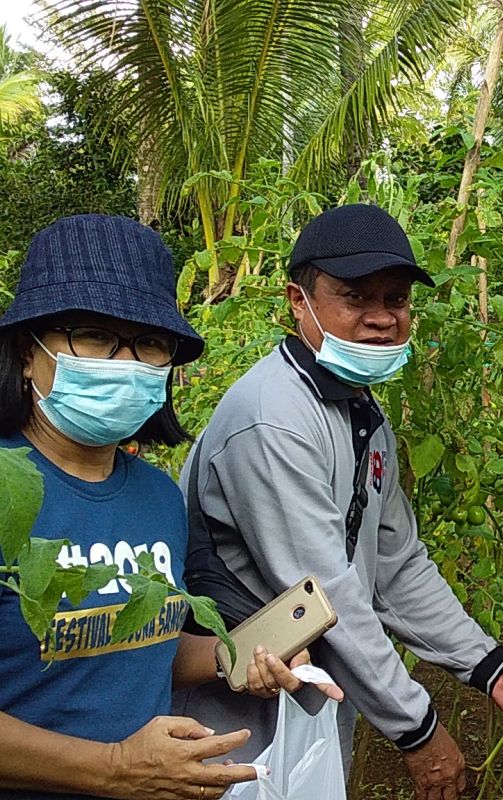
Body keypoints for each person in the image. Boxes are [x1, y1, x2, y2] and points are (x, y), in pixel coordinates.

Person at [172, 204, 503, 799]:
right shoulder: (274, 420)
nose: (382, 320)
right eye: (356, 298)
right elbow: (327, 591)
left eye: (396, 300)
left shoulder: (362, 417)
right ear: (299, 301)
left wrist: (489, 665)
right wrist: (418, 730)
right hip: (229, 718)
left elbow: (397, 566)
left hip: (305, 707)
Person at [0, 214, 340, 800]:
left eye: (151, 344)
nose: (126, 361)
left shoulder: (157, 497)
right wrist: (113, 768)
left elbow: (133, 644)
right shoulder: (10, 491)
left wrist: (237, 657)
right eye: (93, 334)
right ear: (28, 353)